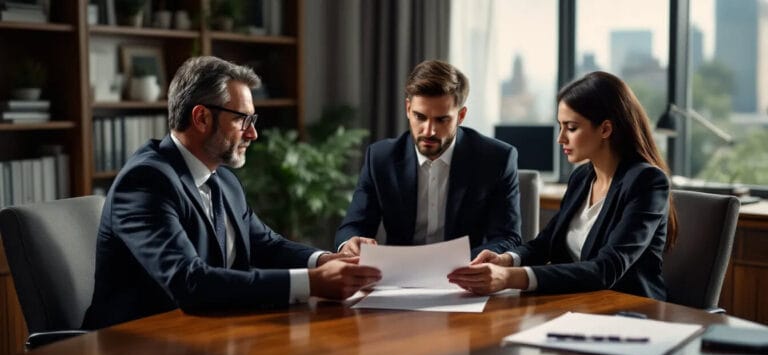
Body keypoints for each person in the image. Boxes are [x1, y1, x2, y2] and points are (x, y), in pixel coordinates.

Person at [82, 56, 381, 329]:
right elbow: (190, 281)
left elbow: (267, 245)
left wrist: (324, 260)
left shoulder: (223, 179)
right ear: (201, 118)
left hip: (204, 338)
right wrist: (311, 283)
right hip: (133, 351)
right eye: (242, 119)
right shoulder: (146, 182)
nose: (253, 134)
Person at [448, 71, 678, 300]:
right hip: (577, 304)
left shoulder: (647, 182)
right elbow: (545, 244)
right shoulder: (582, 178)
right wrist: (506, 260)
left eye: (571, 127)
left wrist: (509, 277)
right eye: (560, 126)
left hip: (630, 311)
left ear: (605, 129)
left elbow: (606, 269)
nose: (561, 138)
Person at [334, 60, 522, 258]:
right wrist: (350, 243)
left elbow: (507, 236)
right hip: (398, 276)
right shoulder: (380, 158)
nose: (429, 131)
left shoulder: (496, 159)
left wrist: (477, 261)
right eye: (420, 117)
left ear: (461, 115)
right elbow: (353, 226)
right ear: (408, 109)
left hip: (467, 274)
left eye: (442, 119)